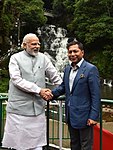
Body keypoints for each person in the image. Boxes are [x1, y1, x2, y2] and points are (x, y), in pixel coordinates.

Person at [2, 33, 62, 150]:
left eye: (38, 43)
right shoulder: (15, 58)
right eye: (33, 44)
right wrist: (39, 90)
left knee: (37, 145)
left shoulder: (44, 58)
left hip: (37, 110)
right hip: (18, 110)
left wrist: (64, 90)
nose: (37, 46)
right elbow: (16, 80)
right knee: (18, 145)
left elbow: (55, 77)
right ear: (25, 45)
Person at [50, 39, 101, 150]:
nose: (72, 54)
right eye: (70, 52)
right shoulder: (68, 69)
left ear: (82, 52)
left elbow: (96, 95)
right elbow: (64, 87)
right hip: (71, 115)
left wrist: (93, 116)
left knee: (86, 146)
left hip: (85, 117)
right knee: (74, 145)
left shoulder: (91, 69)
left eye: (75, 51)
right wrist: (50, 95)